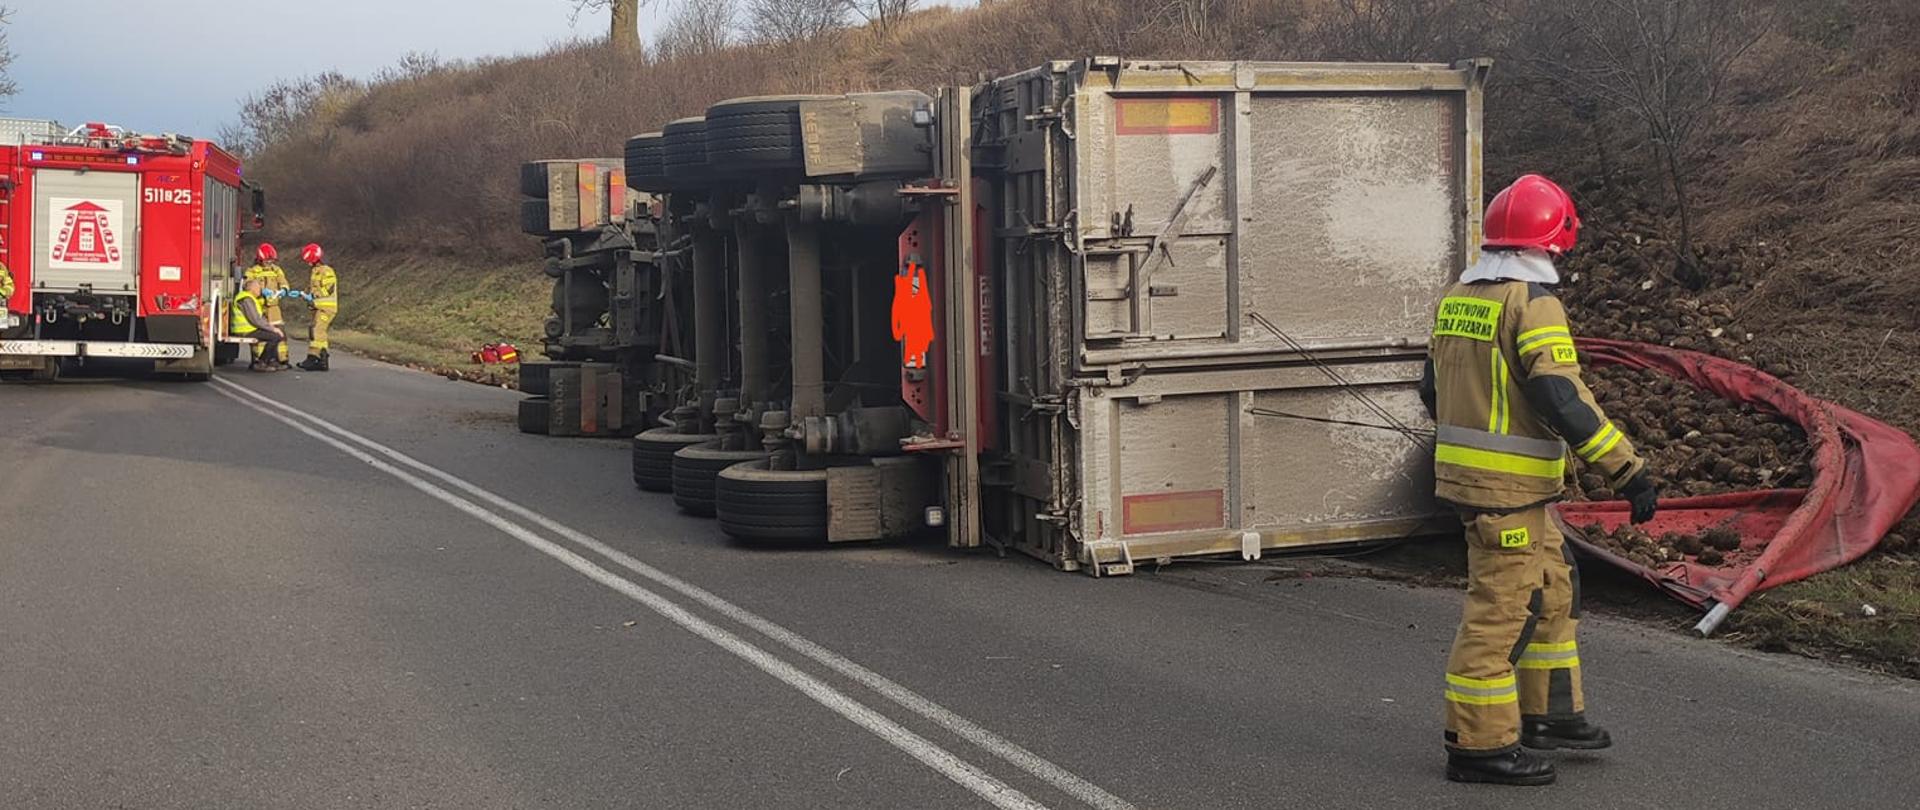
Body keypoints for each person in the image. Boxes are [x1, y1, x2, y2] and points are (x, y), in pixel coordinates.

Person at [1418, 174, 1660, 787]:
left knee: (1554, 588)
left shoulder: (1459, 298)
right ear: (1550, 243)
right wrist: (1626, 469)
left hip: (1494, 490)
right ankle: (1478, 746)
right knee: (1500, 615)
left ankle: (1551, 714)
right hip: (1507, 495)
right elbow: (1560, 394)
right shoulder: (1534, 303)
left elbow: (1430, 389)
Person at [245, 243, 293, 368]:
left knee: (280, 334)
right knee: (261, 334)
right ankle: (259, 360)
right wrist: (262, 292)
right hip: (259, 307)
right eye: (267, 260)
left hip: (274, 307)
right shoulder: (252, 271)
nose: (269, 263)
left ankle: (281, 360)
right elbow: (247, 286)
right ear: (260, 259)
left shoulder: (276, 270)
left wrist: (283, 290)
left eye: (271, 260)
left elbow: (284, 283)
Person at [230, 276, 285, 373]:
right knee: (275, 337)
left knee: (275, 336)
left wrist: (270, 327)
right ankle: (262, 363)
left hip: (249, 329)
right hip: (246, 330)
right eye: (259, 287)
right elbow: (255, 320)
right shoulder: (246, 299)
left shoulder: (249, 298)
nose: (260, 290)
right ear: (252, 288)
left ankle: (267, 361)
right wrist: (273, 329)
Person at [296, 243, 337, 372]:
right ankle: (322, 358)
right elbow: (314, 287)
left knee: (317, 331)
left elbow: (328, 289)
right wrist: (306, 294)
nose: (308, 264)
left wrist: (313, 296)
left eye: (309, 261)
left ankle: (312, 358)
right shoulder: (315, 271)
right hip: (318, 307)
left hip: (326, 308)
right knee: (317, 332)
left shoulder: (327, 271)